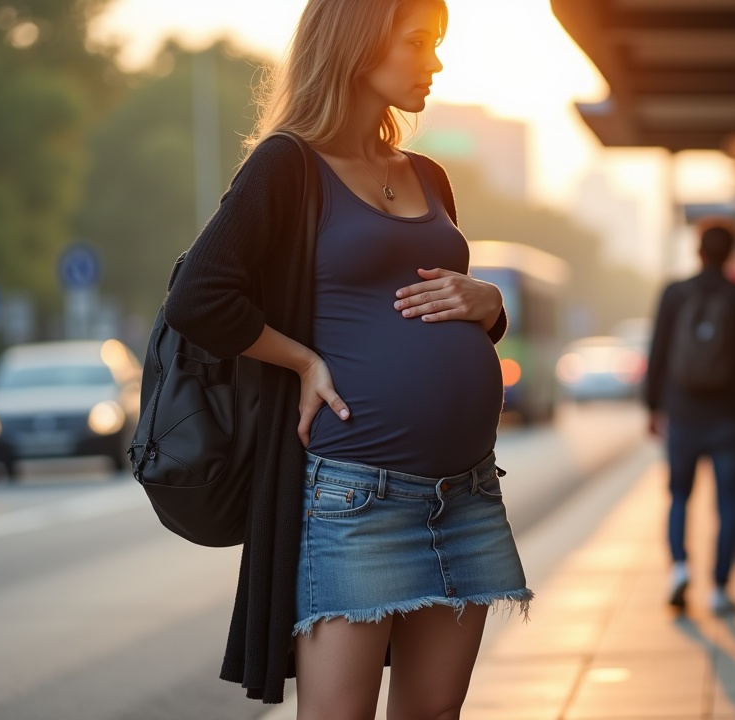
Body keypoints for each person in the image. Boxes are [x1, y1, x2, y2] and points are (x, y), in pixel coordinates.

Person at [162, 0, 532, 714]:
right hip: (356, 502)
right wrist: (301, 360)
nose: (435, 62)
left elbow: (446, 304)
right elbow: (198, 297)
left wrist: (490, 303)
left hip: (469, 496)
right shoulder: (289, 165)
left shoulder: (428, 174)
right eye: (419, 43)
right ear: (360, 45)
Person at [644, 222, 735, 615]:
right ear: (732, 254)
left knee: (680, 496)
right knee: (729, 504)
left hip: (683, 414)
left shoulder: (674, 293)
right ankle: (720, 589)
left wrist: (653, 407)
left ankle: (680, 569)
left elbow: (658, 352)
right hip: (731, 417)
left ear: (698, 251)